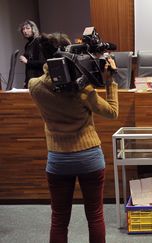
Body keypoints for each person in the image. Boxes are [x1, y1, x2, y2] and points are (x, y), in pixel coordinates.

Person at [28, 32, 119, 243]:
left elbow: (50, 82)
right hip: (89, 158)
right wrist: (110, 80)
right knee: (95, 216)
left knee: (59, 219)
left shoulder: (35, 87)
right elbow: (112, 112)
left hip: (58, 159)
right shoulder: (83, 90)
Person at [19, 20, 46, 88]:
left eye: (28, 28)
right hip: (31, 80)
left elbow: (44, 63)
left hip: (39, 80)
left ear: (33, 29)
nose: (25, 31)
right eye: (23, 29)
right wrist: (26, 80)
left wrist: (27, 61)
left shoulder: (39, 41)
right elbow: (28, 67)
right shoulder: (27, 45)